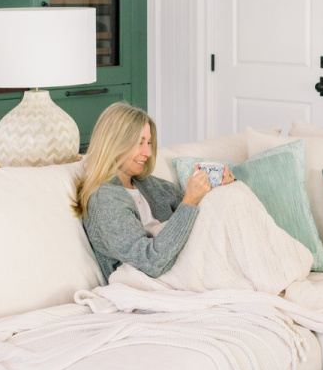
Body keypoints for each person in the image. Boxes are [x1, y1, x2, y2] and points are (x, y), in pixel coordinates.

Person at [75, 102, 233, 281]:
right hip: (152, 281)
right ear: (114, 144)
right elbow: (150, 262)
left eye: (149, 142)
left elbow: (198, 217)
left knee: (231, 196)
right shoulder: (104, 200)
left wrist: (218, 187)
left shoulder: (150, 185)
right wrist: (190, 200)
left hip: (189, 264)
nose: (148, 152)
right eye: (139, 143)